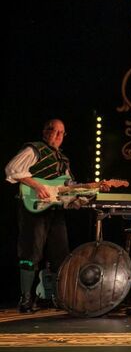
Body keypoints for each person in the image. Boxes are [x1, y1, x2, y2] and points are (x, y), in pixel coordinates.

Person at [5, 119, 72, 313]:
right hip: (33, 207)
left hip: (54, 209)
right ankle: (26, 298)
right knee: (30, 251)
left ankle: (59, 297)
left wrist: (90, 189)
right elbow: (12, 170)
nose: (57, 135)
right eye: (53, 130)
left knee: (61, 252)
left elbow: (66, 188)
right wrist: (38, 186)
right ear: (45, 131)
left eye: (61, 132)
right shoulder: (34, 150)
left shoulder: (63, 160)